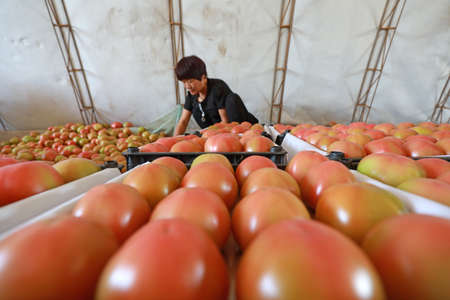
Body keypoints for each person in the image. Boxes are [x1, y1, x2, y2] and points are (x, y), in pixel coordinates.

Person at [173, 55, 258, 135]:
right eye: (184, 82)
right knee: (196, 109)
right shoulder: (192, 95)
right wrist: (174, 141)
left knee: (232, 99)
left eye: (190, 81)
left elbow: (225, 122)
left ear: (203, 78)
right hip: (217, 134)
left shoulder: (218, 88)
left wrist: (201, 134)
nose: (187, 86)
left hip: (242, 129)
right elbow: (183, 122)